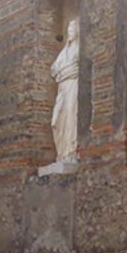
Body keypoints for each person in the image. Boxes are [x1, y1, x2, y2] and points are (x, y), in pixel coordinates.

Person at [49, 18, 80, 163]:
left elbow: (79, 68)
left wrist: (66, 72)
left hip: (73, 85)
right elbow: (53, 70)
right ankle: (61, 153)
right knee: (56, 121)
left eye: (72, 30)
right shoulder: (64, 52)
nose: (70, 32)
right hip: (62, 88)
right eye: (68, 30)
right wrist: (64, 73)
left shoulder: (79, 48)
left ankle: (71, 152)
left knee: (71, 116)